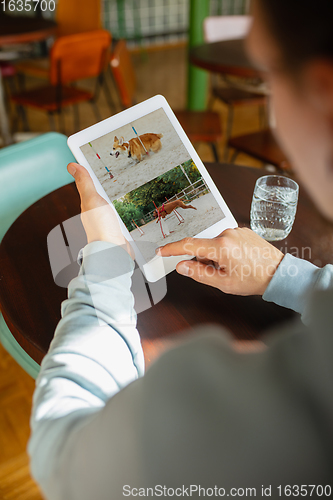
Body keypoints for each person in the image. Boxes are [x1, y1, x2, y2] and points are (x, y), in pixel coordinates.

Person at [28, 1, 333, 498]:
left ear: (324, 92)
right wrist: (281, 272)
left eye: (269, 76)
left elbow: (60, 455)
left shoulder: (278, 415)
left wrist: (106, 246)